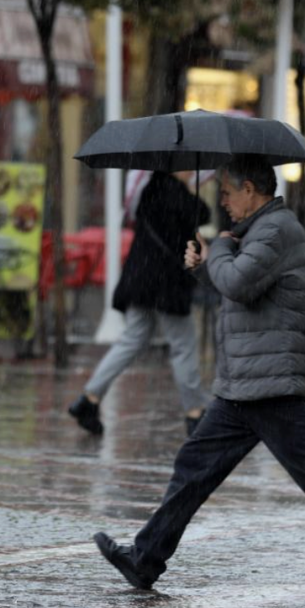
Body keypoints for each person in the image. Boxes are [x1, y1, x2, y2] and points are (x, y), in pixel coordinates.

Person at [92, 155, 305, 600]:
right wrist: (205, 265)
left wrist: (219, 250)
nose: (222, 201)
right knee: (195, 466)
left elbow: (240, 282)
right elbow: (239, 288)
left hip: (268, 380)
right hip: (245, 381)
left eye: (226, 192)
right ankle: (145, 558)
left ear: (250, 189)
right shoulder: (257, 232)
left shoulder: (277, 230)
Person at [68, 171, 211, 436]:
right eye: (187, 167)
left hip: (140, 279)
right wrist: (191, 190)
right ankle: (195, 412)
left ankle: (89, 397)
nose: (192, 171)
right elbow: (203, 213)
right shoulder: (176, 194)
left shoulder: (148, 190)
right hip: (165, 284)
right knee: (183, 344)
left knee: (131, 339)